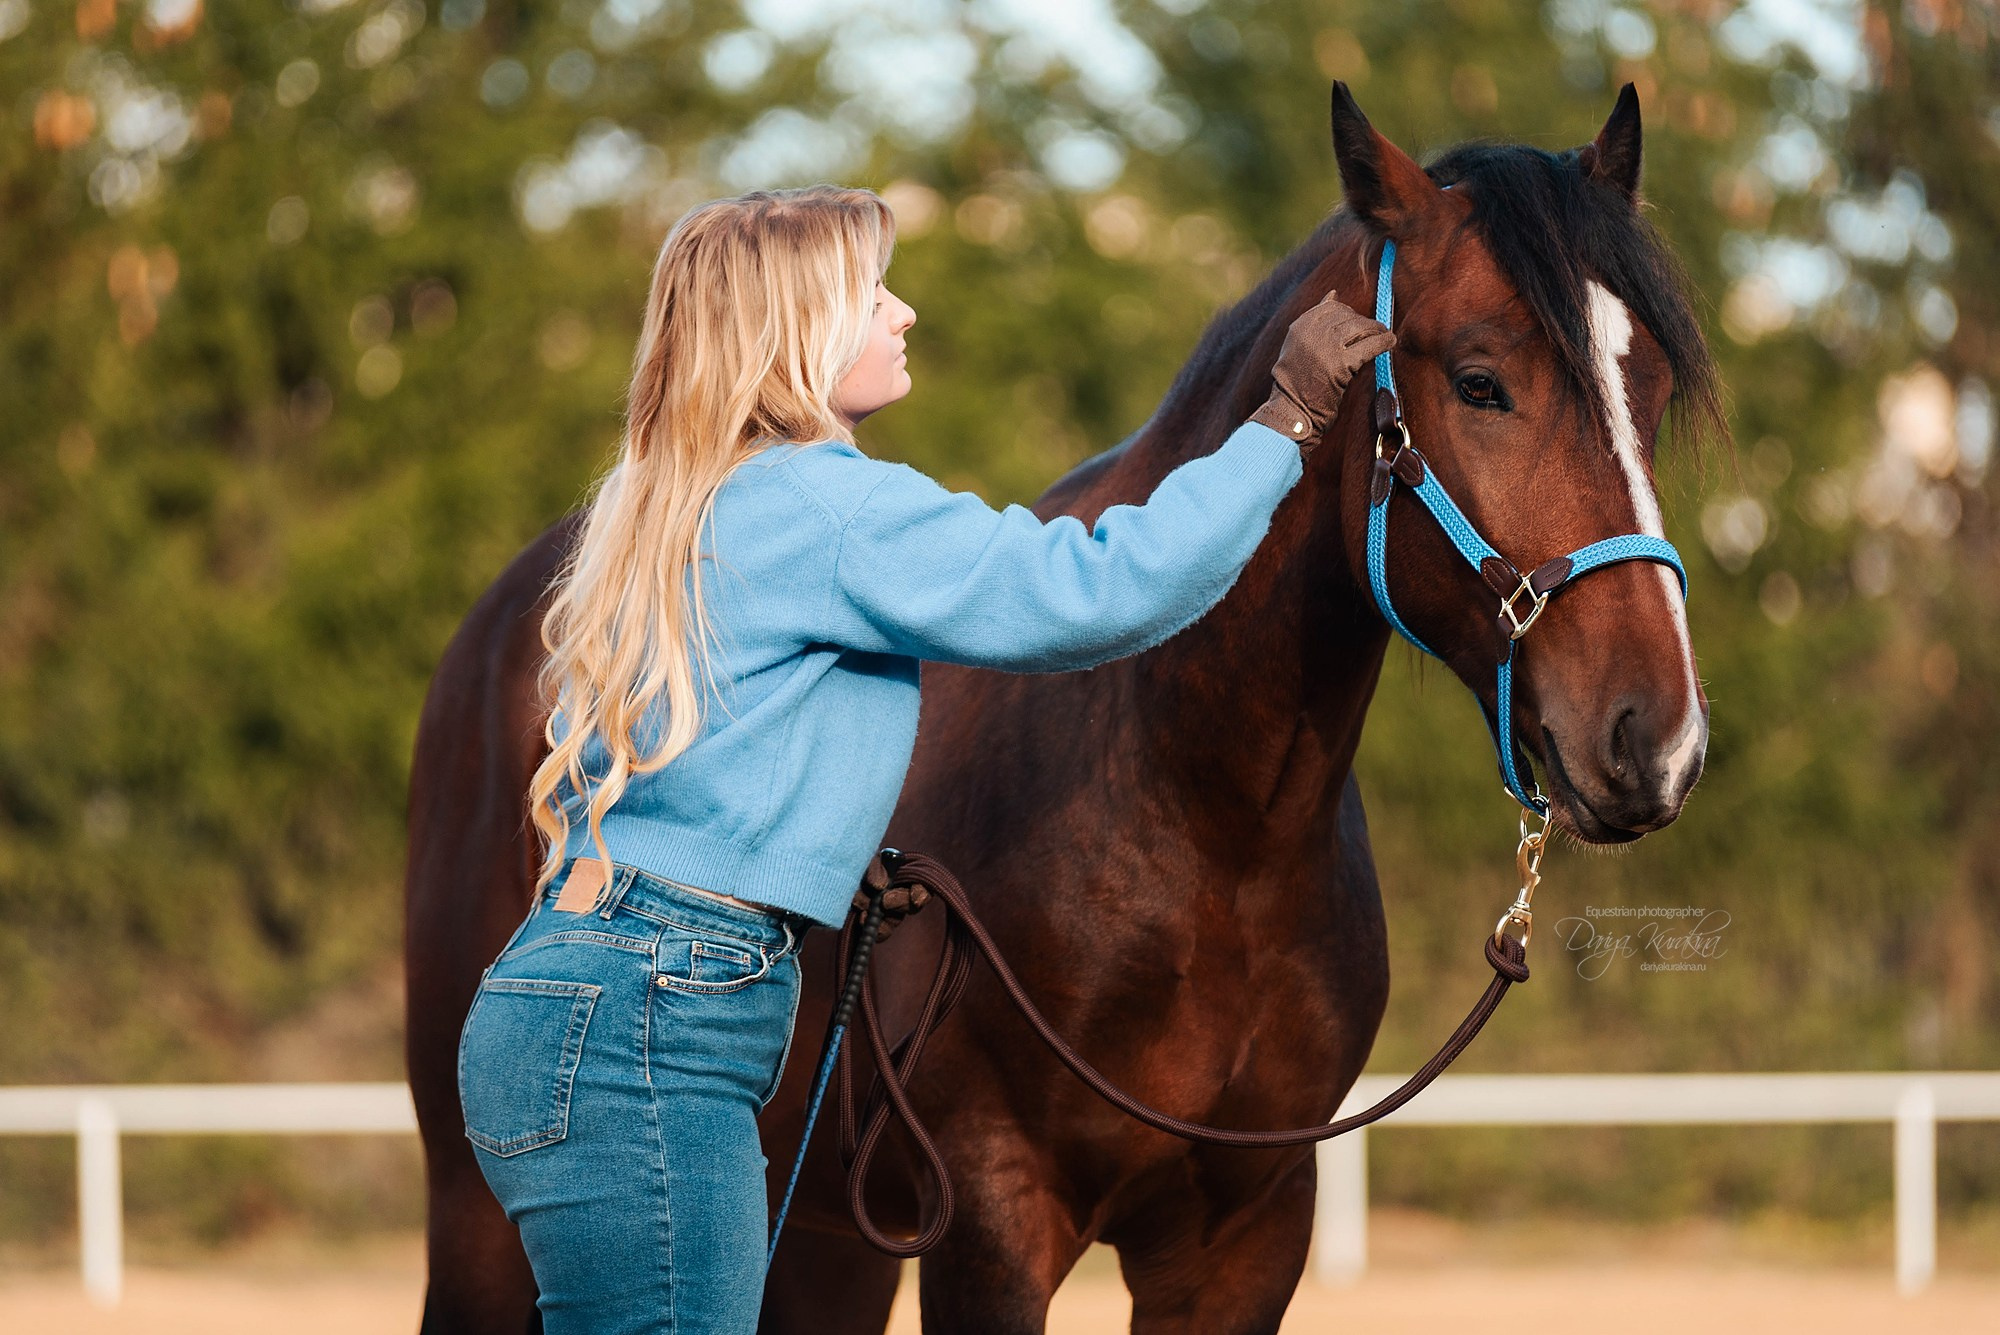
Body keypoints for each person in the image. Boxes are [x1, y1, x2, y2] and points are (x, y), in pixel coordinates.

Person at [455, 184, 1393, 1335]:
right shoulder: (825, 505)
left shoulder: (683, 498)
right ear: (791, 334)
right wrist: (1283, 419)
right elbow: (1100, 589)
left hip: (589, 1002)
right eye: (869, 294)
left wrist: (826, 846)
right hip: (661, 1016)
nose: (902, 313)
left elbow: (721, 760)